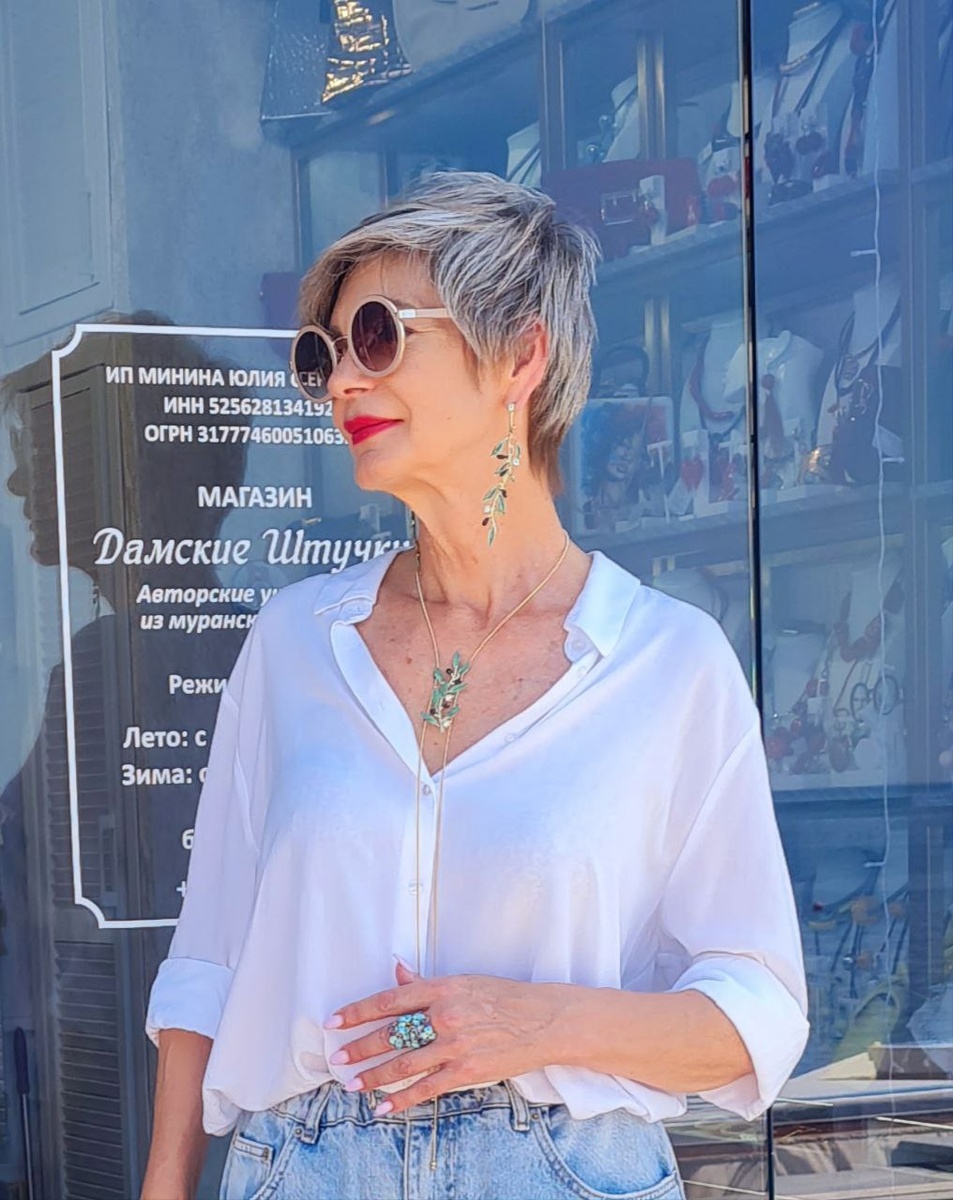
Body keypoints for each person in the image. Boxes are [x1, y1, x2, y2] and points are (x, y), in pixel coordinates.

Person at [141, 172, 809, 1200]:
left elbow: (753, 1016)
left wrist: (531, 1022)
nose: (340, 382)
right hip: (304, 1165)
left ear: (519, 356)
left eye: (377, 336)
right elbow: (209, 962)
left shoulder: (667, 664)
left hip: (559, 1168)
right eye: (322, 355)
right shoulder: (293, 645)